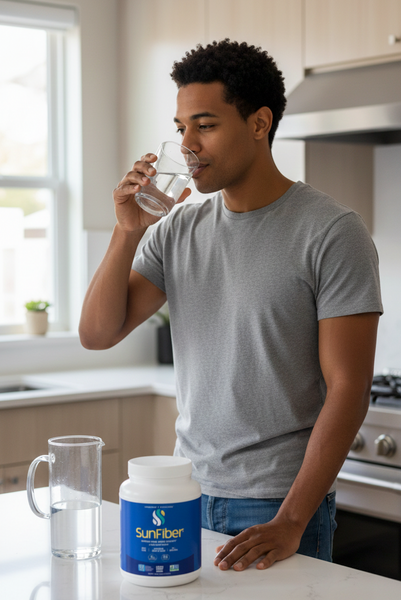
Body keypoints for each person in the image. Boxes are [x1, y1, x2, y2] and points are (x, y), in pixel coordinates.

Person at [79, 40, 383, 572]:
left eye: (206, 125)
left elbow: (350, 390)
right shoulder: (175, 229)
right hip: (185, 491)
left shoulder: (332, 233)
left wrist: (291, 522)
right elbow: (98, 334)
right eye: (180, 128)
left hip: (279, 507)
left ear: (260, 123)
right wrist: (127, 232)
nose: (188, 144)